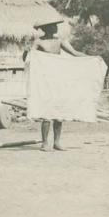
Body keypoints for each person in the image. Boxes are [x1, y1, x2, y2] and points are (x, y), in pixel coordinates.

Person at [26, 16, 87, 152]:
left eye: (56, 25)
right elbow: (31, 58)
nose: (55, 28)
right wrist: (28, 53)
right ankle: (45, 143)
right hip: (45, 79)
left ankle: (57, 142)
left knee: (59, 111)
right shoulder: (38, 42)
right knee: (47, 112)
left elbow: (75, 53)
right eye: (52, 26)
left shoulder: (59, 41)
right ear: (46, 28)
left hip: (58, 78)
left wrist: (91, 57)